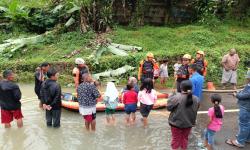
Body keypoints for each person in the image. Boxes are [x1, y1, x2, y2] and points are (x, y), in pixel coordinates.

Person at [167, 80, 199, 150]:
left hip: (176, 123)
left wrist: (170, 97)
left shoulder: (176, 97)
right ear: (191, 88)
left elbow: (168, 108)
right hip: (189, 123)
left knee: (175, 139)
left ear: (181, 88)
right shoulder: (196, 99)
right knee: (185, 138)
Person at [226, 70, 250, 148]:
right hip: (247, 107)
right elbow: (244, 92)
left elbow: (243, 96)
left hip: (246, 107)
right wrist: (239, 92)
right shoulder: (248, 85)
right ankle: (247, 138)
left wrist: (236, 94)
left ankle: (239, 141)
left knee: (244, 124)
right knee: (248, 124)